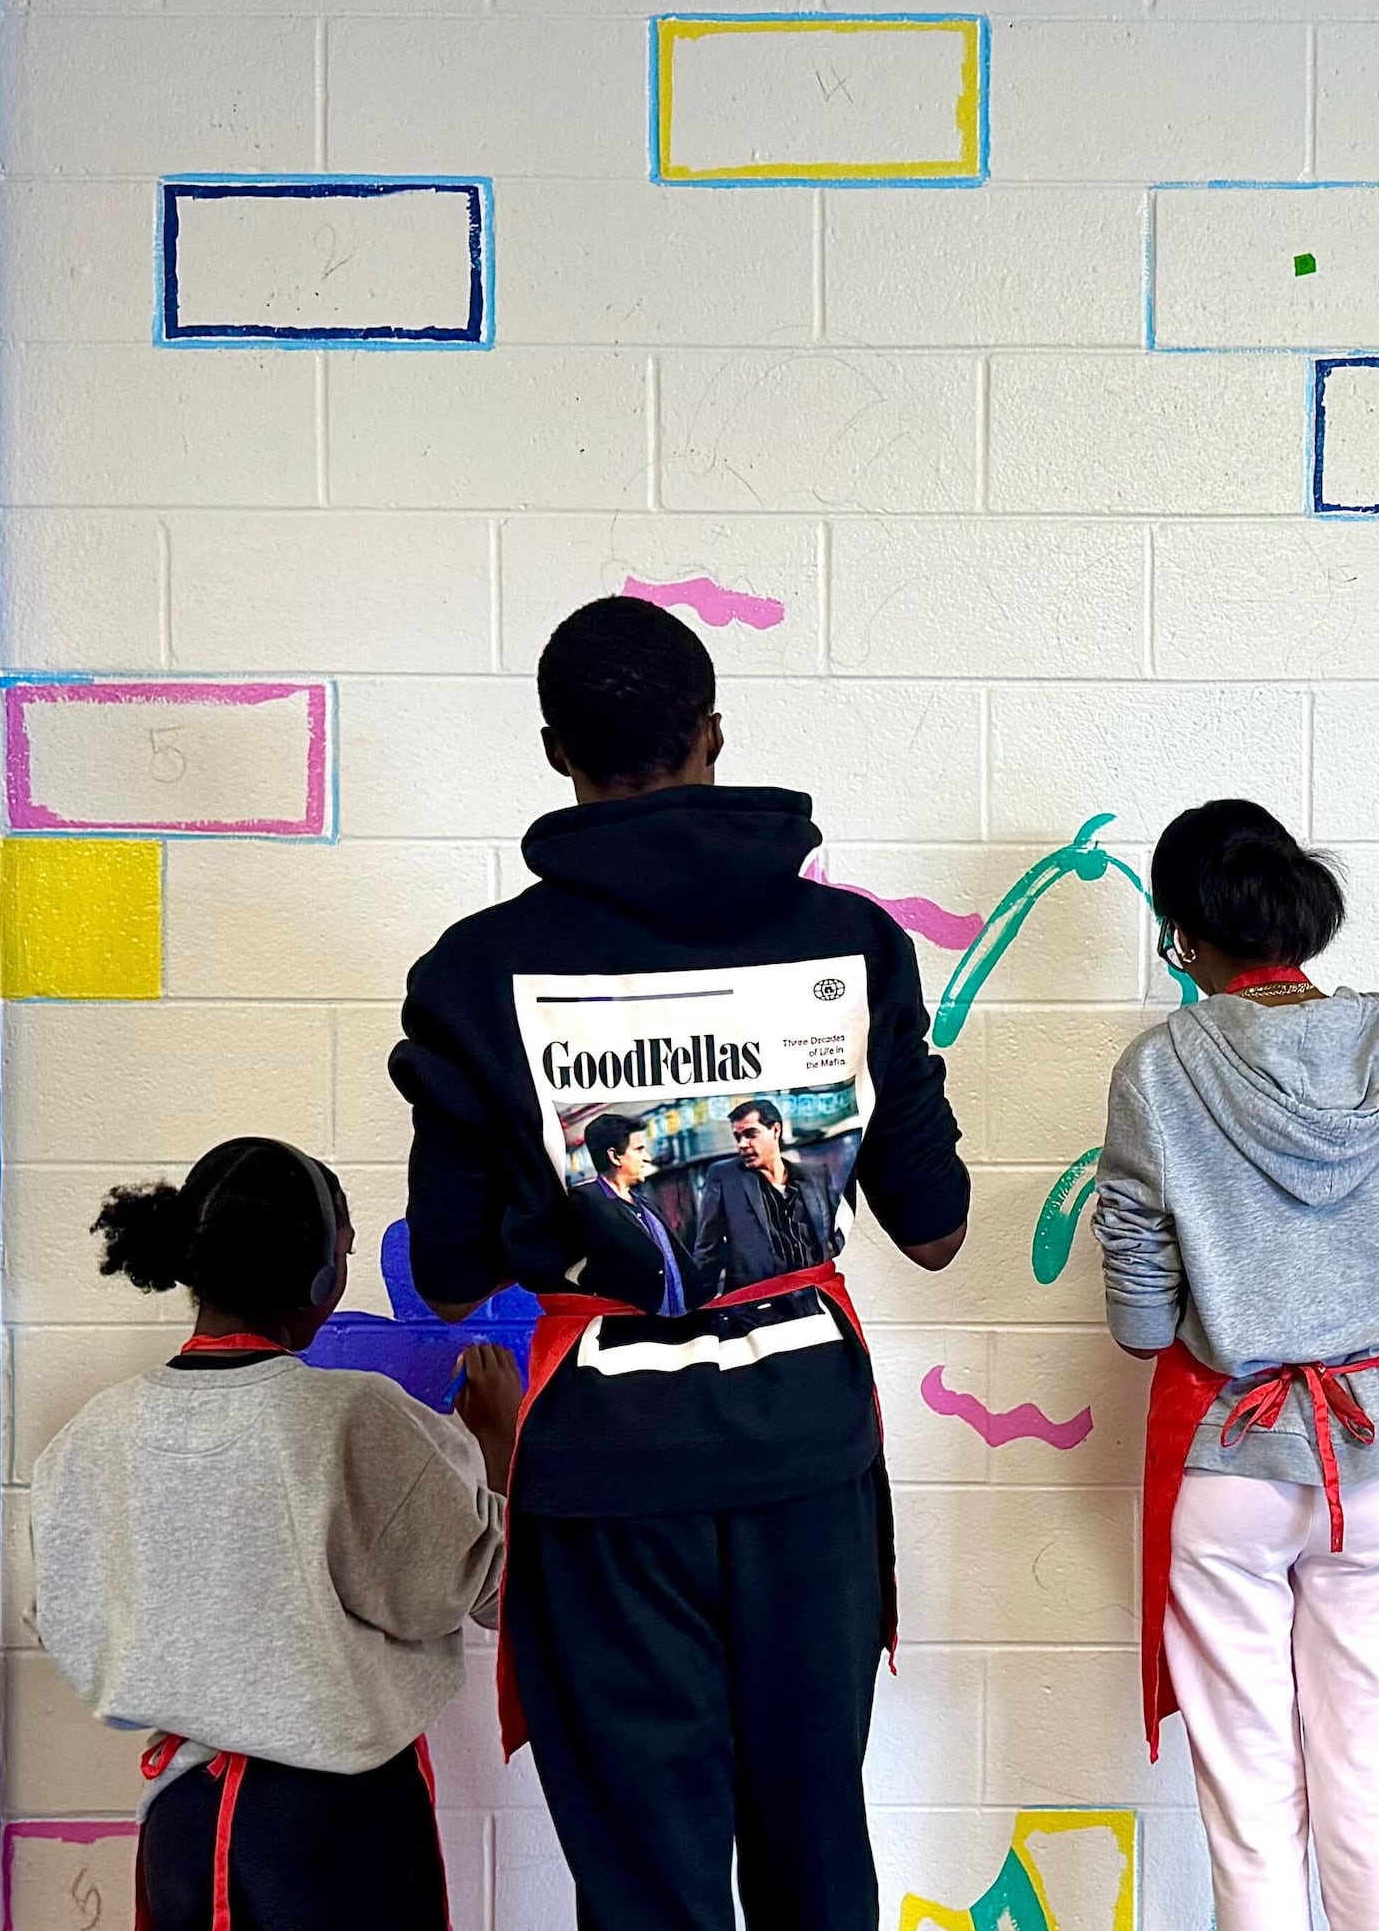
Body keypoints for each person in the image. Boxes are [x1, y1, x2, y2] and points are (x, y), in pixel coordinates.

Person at [389, 594, 970, 1931]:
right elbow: (934, 1230)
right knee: (816, 1848)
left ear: (556, 753)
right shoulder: (854, 944)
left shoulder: (479, 971)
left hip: (604, 1472)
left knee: (648, 1879)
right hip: (806, 1456)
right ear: (715, 735)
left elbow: (457, 1275)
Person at [1096, 799, 1379, 1931]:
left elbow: (1143, 1327)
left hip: (1230, 1465)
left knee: (1253, 1823)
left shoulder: (1159, 1068)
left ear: (1186, 934)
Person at [29, 1137, 518, 1931]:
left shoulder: (92, 1434)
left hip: (179, 1823)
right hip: (337, 1834)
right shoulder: (356, 1418)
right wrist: (496, 1448)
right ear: (323, 1275)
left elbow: (69, 1619)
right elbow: (485, 1591)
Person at [697, 1095, 839, 1287]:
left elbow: (834, 1233)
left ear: (775, 1130)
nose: (742, 1144)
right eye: (738, 1137)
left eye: (750, 1134)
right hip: (757, 1305)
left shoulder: (815, 1175)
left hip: (813, 1295)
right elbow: (708, 1250)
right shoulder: (724, 1176)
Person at [580, 1111, 694, 1316]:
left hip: (678, 1325)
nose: (647, 1158)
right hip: (633, 1331)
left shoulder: (646, 1204)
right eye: (639, 1149)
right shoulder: (585, 1202)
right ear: (614, 1156)